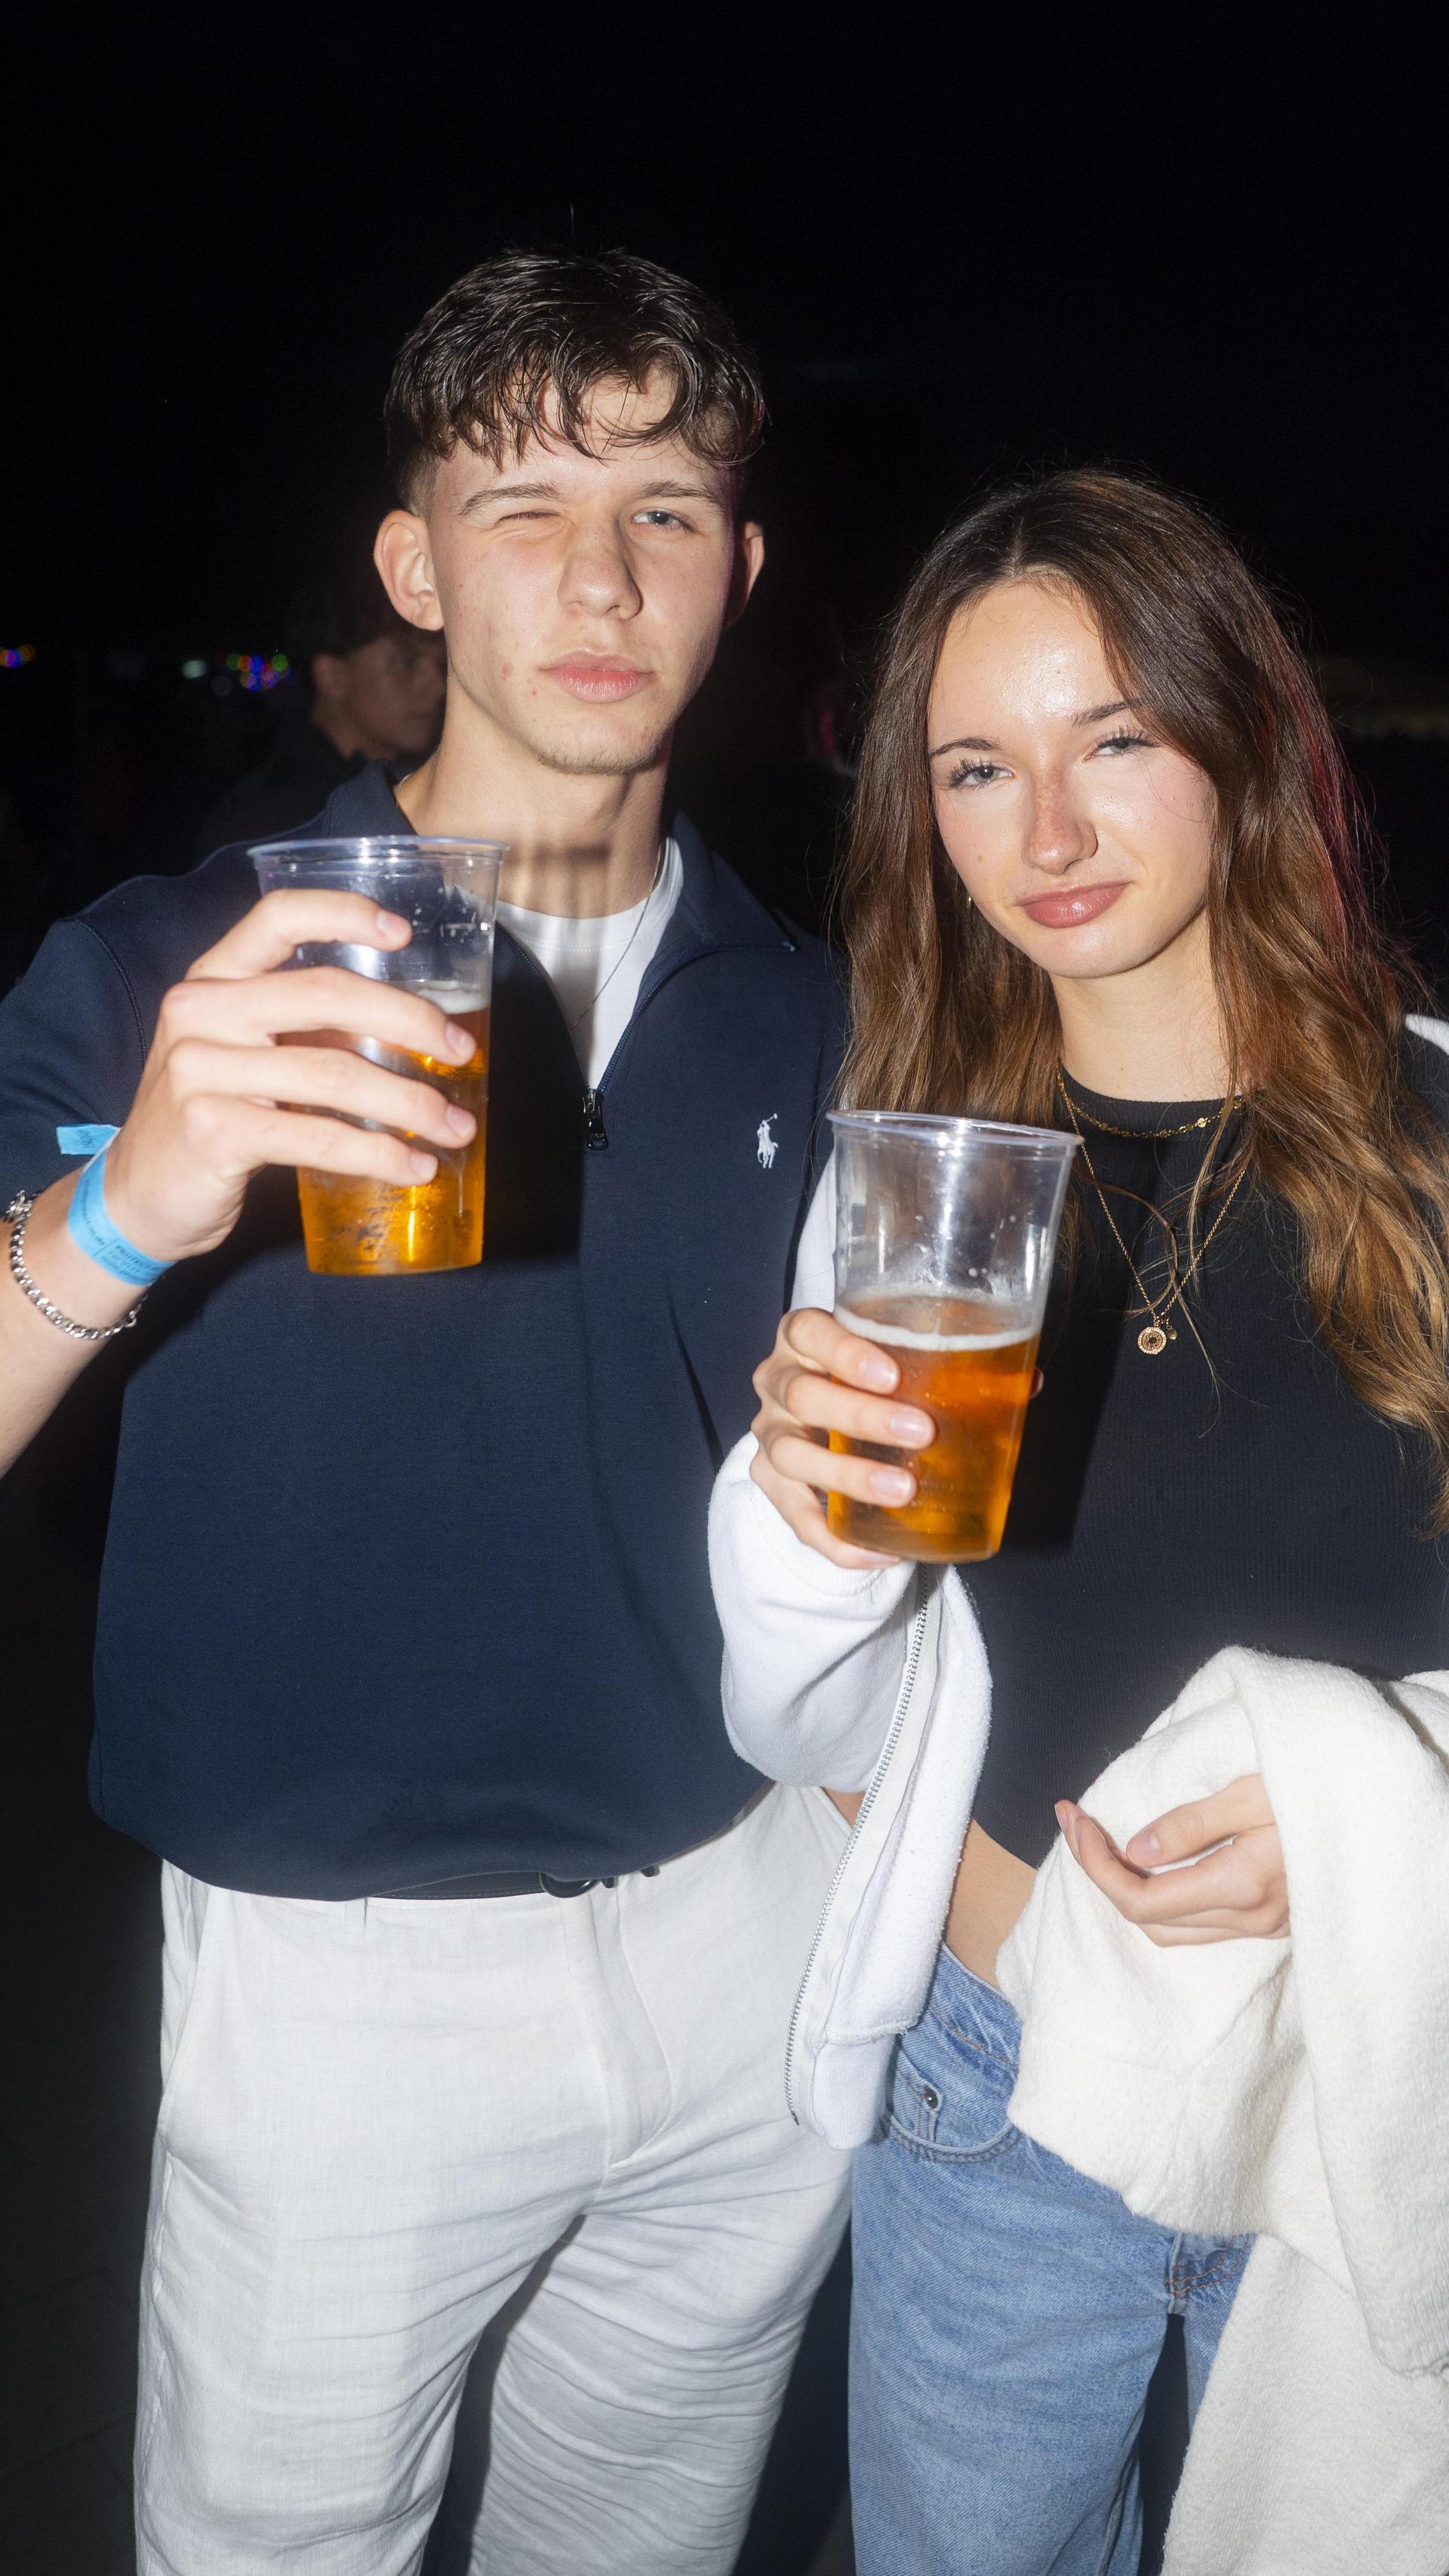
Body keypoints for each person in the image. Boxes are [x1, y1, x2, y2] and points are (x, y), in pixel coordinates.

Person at [0, 249, 854, 2576]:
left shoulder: (812, 1004)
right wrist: (130, 1203)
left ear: (741, 570)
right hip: (341, 1985)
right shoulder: (177, 964)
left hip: (748, 1939)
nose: (600, 573)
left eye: (667, 509)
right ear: (411, 565)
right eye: (522, 502)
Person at [707, 467, 1449, 2573]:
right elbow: (800, 1701)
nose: (1045, 829)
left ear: (1239, 737)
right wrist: (797, 1525)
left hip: (1359, 2063)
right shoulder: (918, 1189)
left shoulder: (1433, 1132)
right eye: (976, 763)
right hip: (996, 2071)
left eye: (1114, 736)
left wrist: (1387, 1806)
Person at [194, 561, 447, 852]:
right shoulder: (269, 823)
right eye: (406, 663)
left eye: (441, 664)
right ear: (333, 676)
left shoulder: (421, 788)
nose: (438, 686)